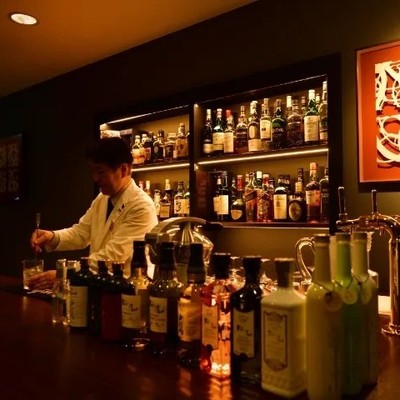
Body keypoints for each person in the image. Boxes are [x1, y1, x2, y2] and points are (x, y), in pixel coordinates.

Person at [29, 136, 158, 290]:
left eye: (101, 172)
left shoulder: (141, 206)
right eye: (93, 171)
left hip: (128, 289)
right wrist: (52, 236)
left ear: (123, 170)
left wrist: (64, 273)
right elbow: (81, 233)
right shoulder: (102, 198)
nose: (95, 178)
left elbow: (113, 255)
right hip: (99, 285)